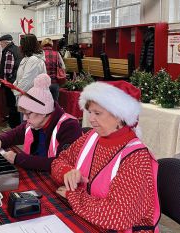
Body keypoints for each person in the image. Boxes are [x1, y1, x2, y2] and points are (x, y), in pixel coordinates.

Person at [51, 81, 160, 232]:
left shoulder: (137, 158)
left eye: (97, 113)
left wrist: (73, 196)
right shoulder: (91, 137)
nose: (91, 119)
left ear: (119, 116)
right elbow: (60, 161)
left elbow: (118, 215)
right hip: (89, 219)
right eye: (90, 112)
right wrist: (66, 172)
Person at [0, 74, 82, 172]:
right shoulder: (35, 124)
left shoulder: (69, 127)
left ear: (43, 113)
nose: (25, 119)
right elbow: (15, 134)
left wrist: (17, 159)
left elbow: (60, 162)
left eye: (28, 114)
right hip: (38, 174)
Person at [0, 34, 22, 129]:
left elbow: (8, 69)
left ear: (5, 42)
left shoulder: (8, 51)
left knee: (11, 105)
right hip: (17, 81)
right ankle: (18, 125)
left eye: (1, 44)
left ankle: (12, 126)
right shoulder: (18, 49)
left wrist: (5, 81)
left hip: (10, 82)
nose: (1, 46)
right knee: (16, 104)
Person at [13, 34, 46, 98]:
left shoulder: (33, 60)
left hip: (31, 98)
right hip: (26, 97)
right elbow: (20, 77)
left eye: (22, 44)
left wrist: (16, 90)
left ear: (26, 46)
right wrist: (14, 85)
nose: (20, 46)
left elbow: (27, 80)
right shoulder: (27, 58)